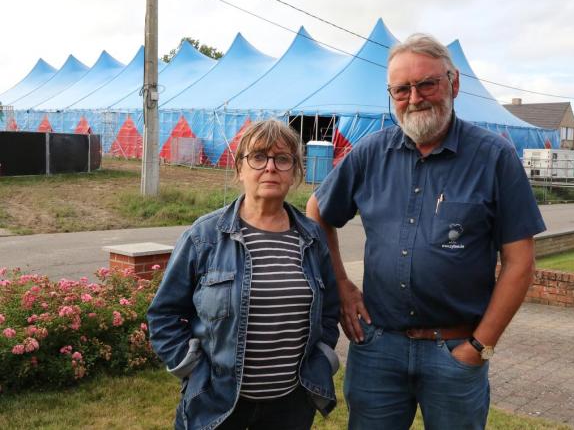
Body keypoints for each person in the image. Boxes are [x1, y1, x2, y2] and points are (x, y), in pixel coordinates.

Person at [306, 34, 546, 430]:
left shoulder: (494, 157)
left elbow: (520, 263)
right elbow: (318, 213)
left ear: (453, 83)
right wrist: (341, 285)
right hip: (377, 349)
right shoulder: (370, 153)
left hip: (455, 348)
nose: (414, 97)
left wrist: (480, 346)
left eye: (426, 84)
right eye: (402, 89)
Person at [148, 119, 340, 430]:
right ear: (239, 169)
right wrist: (194, 370)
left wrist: (319, 360)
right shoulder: (204, 236)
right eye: (258, 157)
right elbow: (164, 315)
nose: (270, 168)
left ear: (295, 172)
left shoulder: (312, 238)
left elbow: (329, 312)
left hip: (290, 405)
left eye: (282, 159)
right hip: (217, 403)